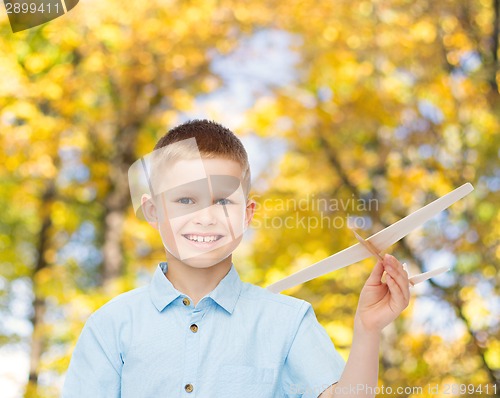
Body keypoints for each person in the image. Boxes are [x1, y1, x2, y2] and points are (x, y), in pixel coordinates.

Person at [62, 119, 410, 398]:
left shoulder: (287, 323)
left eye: (223, 201)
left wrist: (367, 330)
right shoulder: (111, 325)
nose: (205, 217)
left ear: (246, 213)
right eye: (185, 200)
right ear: (153, 211)